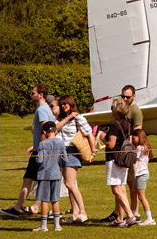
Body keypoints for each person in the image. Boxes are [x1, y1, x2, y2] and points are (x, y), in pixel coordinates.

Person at [0, 84, 54, 218]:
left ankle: (17, 209)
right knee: (37, 180)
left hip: (40, 151)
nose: (31, 95)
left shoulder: (42, 110)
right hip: (41, 149)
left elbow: (46, 130)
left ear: (40, 95)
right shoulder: (45, 108)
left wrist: (40, 149)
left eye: (33, 93)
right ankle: (26, 208)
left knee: (28, 180)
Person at [56, 95, 95, 223]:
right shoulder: (61, 118)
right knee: (68, 185)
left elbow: (90, 135)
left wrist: (93, 152)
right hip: (61, 151)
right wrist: (68, 117)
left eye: (66, 103)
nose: (63, 106)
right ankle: (75, 212)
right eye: (62, 104)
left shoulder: (79, 119)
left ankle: (83, 212)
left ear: (71, 104)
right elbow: (55, 129)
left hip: (72, 151)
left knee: (70, 184)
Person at [104, 97, 138, 227]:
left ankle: (130, 215)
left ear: (116, 111)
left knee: (116, 189)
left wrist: (103, 139)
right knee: (122, 188)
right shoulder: (127, 124)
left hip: (114, 159)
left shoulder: (113, 125)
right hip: (125, 158)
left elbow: (111, 145)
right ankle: (120, 218)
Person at [32, 121, 66, 231]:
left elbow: (39, 160)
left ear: (44, 131)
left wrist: (38, 155)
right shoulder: (61, 143)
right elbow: (65, 159)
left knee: (44, 200)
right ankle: (57, 225)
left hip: (44, 174)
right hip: (56, 174)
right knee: (55, 199)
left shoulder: (42, 144)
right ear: (55, 130)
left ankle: (44, 226)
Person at [129, 130, 156, 226]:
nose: (132, 140)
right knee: (133, 194)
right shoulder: (143, 147)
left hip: (141, 175)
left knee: (141, 197)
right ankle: (132, 216)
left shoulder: (140, 148)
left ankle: (149, 219)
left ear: (139, 137)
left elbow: (133, 159)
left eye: (134, 138)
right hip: (138, 175)